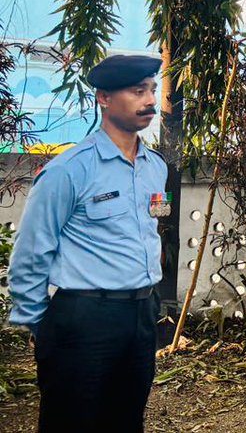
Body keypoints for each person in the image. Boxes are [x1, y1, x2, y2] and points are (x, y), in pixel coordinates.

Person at [8, 54, 168, 433]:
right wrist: (39, 325)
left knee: (127, 419)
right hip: (83, 319)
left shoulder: (155, 167)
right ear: (104, 98)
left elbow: (153, 227)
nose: (148, 100)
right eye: (136, 91)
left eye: (151, 90)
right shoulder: (69, 170)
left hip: (141, 315)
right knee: (71, 421)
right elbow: (31, 253)